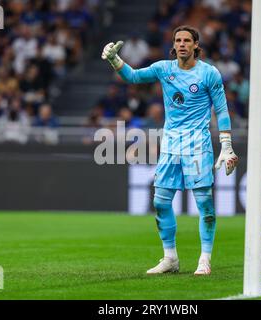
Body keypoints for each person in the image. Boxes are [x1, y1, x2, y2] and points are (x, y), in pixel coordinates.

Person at [101, 25, 239, 275]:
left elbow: (221, 111)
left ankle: (204, 259)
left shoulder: (209, 74)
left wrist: (227, 146)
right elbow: (132, 76)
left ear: (196, 45)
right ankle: (170, 258)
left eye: (187, 40)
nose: (182, 44)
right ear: (174, 44)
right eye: (178, 40)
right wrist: (114, 59)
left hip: (198, 145)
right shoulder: (164, 68)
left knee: (205, 203)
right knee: (161, 202)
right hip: (171, 146)